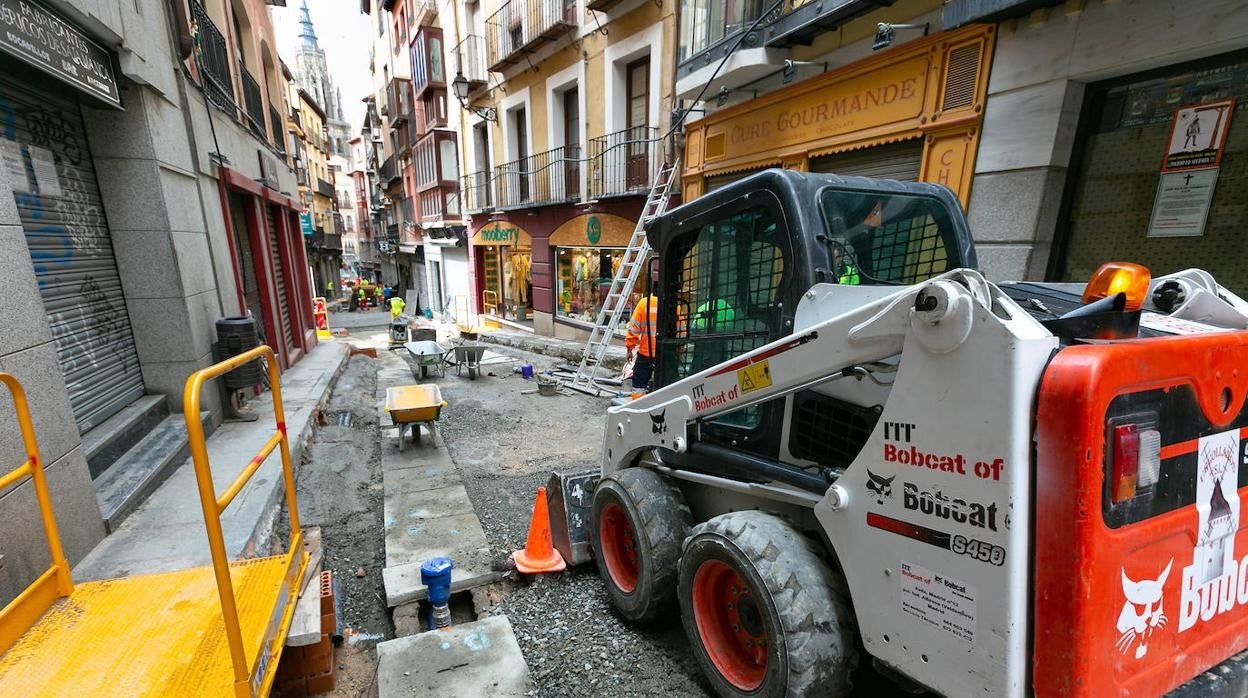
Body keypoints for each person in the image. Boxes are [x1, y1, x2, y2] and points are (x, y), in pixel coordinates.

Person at [625, 291, 659, 392]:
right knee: (667, 386)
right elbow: (681, 331)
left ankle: (637, 404)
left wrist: (629, 349)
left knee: (639, 386)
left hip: (646, 352)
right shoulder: (674, 305)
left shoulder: (644, 303)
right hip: (666, 354)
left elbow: (633, 329)